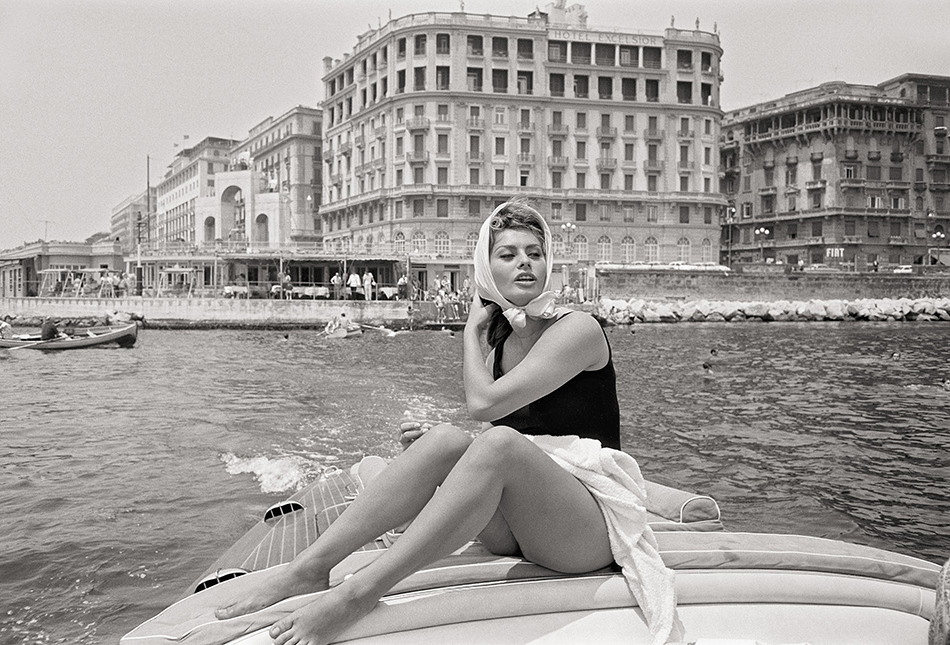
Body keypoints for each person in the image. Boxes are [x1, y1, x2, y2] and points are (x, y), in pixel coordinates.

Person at [214, 199, 682, 644]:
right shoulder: (504, 346)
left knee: (493, 441)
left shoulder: (577, 329)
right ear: (486, 269)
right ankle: (308, 569)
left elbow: (485, 406)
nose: (525, 263)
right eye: (509, 254)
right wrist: (458, 443)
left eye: (535, 254)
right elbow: (528, 437)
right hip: (529, 527)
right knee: (444, 439)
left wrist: (471, 332)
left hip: (588, 532)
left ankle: (357, 594)